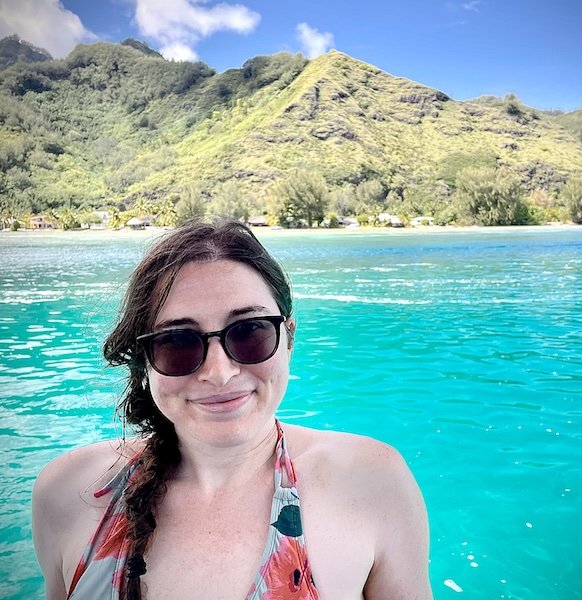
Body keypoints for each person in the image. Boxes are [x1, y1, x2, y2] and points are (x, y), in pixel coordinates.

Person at [32, 220, 431, 600]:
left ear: (288, 337)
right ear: (144, 361)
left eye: (250, 332)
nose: (220, 373)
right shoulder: (68, 492)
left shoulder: (370, 483)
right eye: (178, 342)